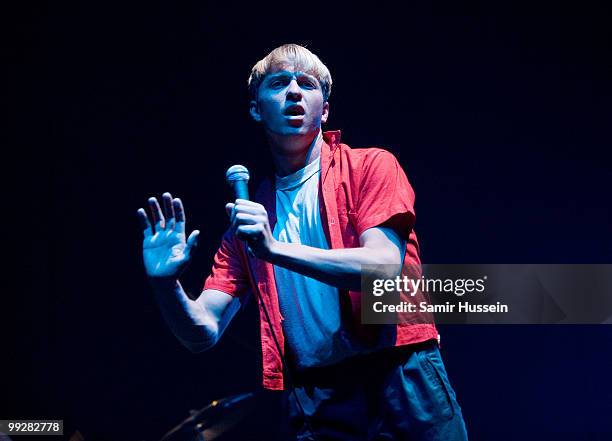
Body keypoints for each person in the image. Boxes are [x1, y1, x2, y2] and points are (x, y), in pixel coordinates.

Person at [137, 44, 468, 441]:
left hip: (399, 372)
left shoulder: (369, 167)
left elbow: (382, 269)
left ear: (324, 110)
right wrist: (165, 286)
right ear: (257, 109)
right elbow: (202, 331)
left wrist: (273, 249)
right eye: (279, 83)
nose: (293, 91)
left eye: (306, 84)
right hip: (317, 395)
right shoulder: (250, 221)